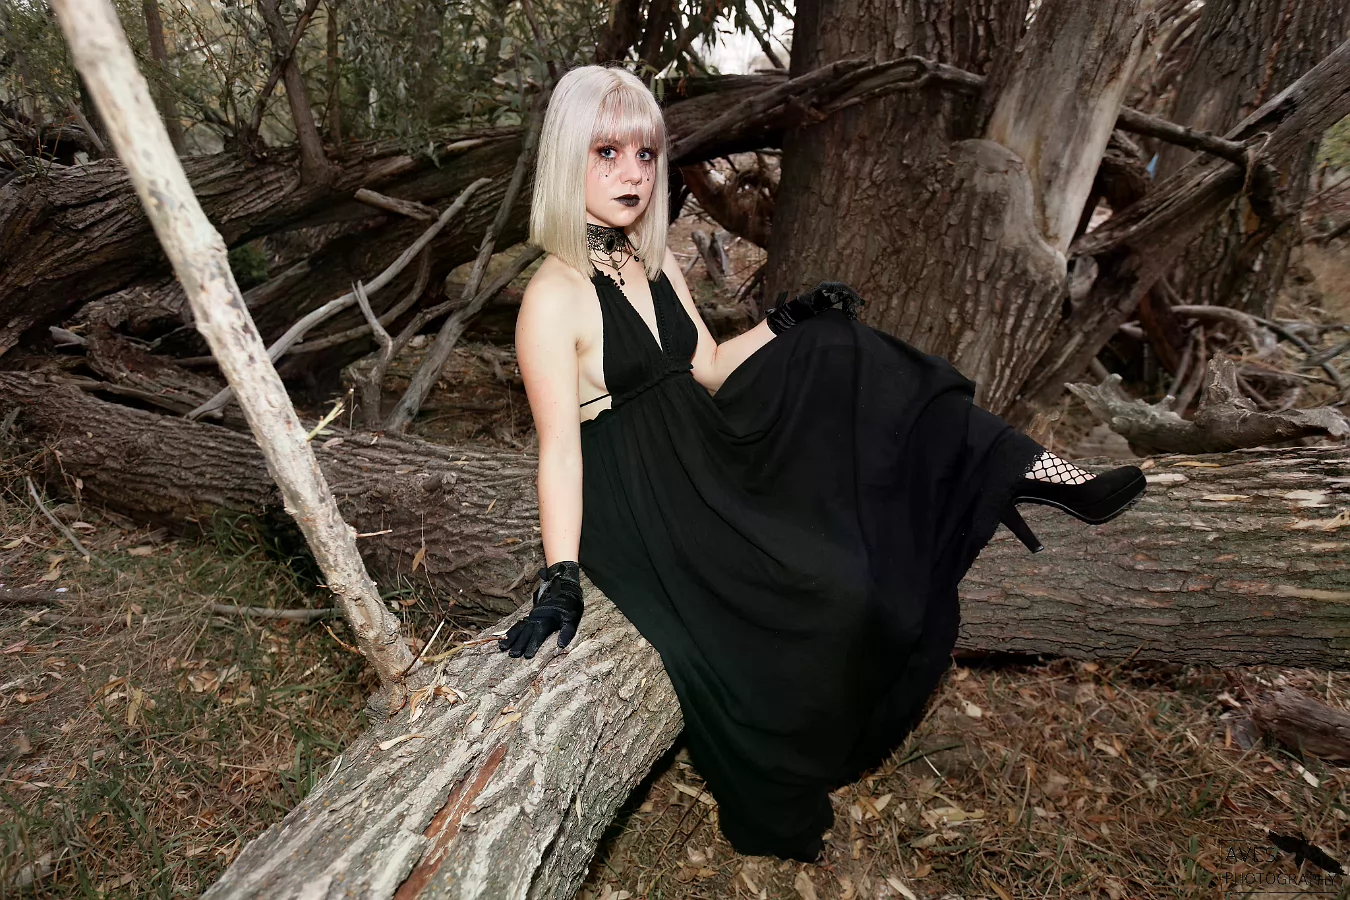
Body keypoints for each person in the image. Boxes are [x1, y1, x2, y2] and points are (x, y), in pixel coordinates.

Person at [497, 64, 1146, 862]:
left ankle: (1018, 464)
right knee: (836, 593)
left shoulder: (650, 262)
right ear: (568, 158)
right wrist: (560, 577)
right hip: (641, 501)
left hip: (703, 447)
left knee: (835, 345)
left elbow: (706, 367)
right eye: (607, 153)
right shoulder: (552, 297)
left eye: (645, 154)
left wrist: (788, 321)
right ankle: (789, 768)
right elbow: (560, 451)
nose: (631, 173)